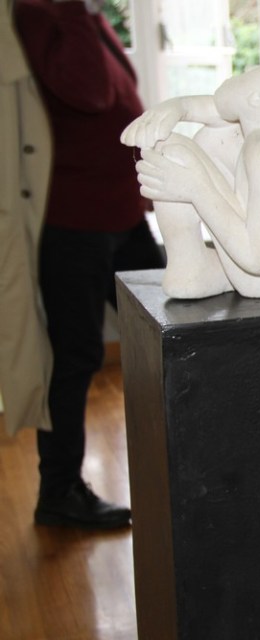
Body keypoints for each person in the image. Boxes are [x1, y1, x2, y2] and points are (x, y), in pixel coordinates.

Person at [13, 0, 164, 529]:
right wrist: (79, 11)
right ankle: (58, 492)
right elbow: (90, 92)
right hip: (74, 224)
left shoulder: (80, 15)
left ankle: (200, 454)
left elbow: (121, 96)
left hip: (120, 216)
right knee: (75, 358)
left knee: (178, 327)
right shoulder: (38, 14)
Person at [121, 59, 260, 299]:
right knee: (217, 134)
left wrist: (193, 187)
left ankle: (189, 269)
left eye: (252, 72)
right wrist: (179, 106)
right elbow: (222, 110)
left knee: (170, 152)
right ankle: (202, 268)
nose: (242, 71)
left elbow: (257, 260)